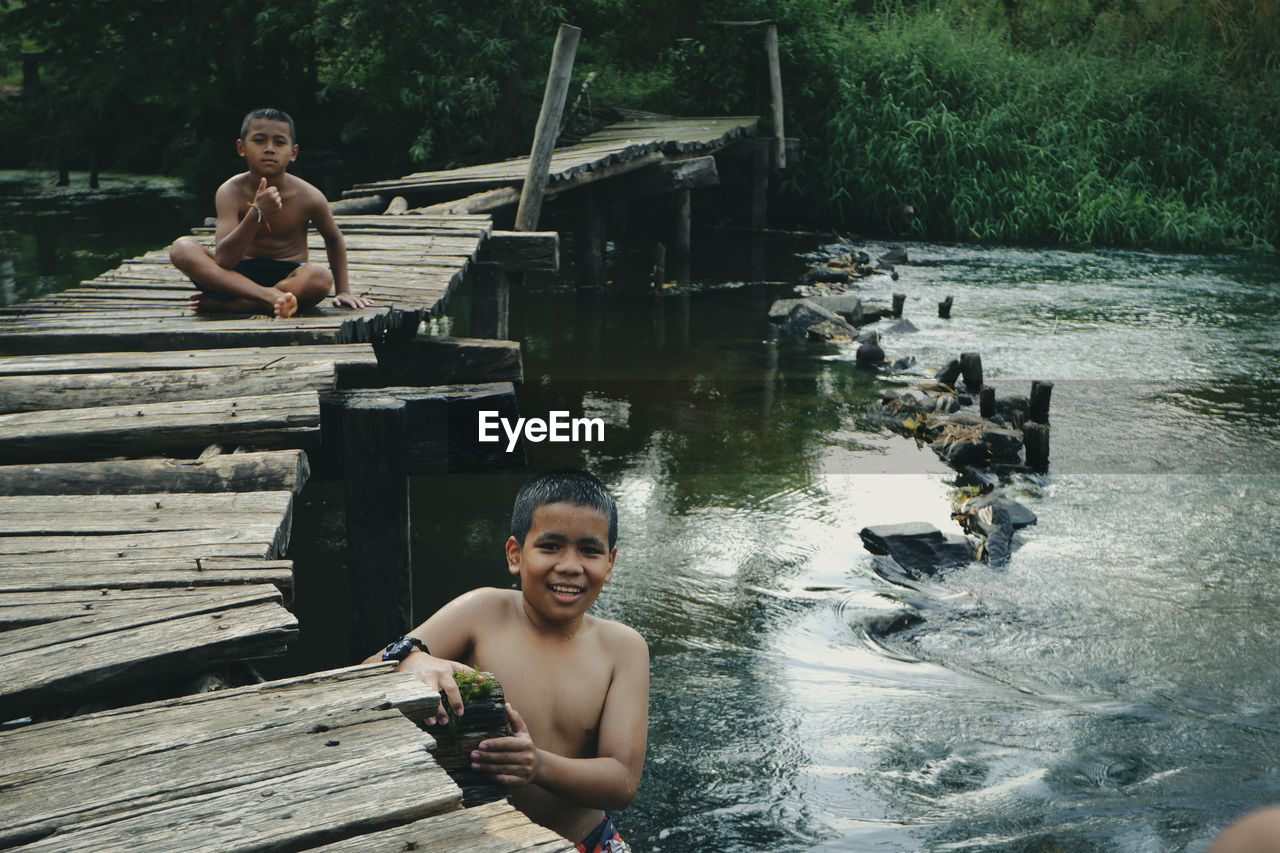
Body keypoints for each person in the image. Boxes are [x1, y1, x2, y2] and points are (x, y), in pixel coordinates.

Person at [366, 470, 648, 852]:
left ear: (610, 563)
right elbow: (367, 673)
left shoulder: (623, 648)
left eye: (590, 550)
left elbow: (622, 781)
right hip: (478, 842)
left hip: (585, 842)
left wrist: (537, 766)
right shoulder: (484, 613)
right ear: (516, 554)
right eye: (550, 546)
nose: (569, 565)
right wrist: (412, 661)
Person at [169, 108, 372, 317]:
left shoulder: (309, 196)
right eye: (259, 140)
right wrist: (257, 213)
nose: (269, 149)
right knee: (181, 248)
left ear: (293, 153)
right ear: (241, 147)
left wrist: (343, 291)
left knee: (319, 277)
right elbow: (224, 261)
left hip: (288, 277)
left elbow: (334, 239)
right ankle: (267, 298)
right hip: (234, 276)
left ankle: (241, 305)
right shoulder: (229, 191)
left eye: (279, 142)